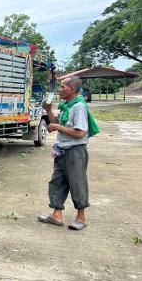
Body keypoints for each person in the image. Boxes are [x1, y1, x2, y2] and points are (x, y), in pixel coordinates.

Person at [38, 76, 99, 231]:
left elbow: (79, 133)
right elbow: (57, 121)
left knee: (77, 183)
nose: (60, 89)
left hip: (75, 151)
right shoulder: (67, 105)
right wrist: (49, 110)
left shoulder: (79, 106)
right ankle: (56, 215)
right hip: (62, 150)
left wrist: (58, 127)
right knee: (57, 182)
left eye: (63, 86)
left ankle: (81, 218)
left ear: (72, 89)